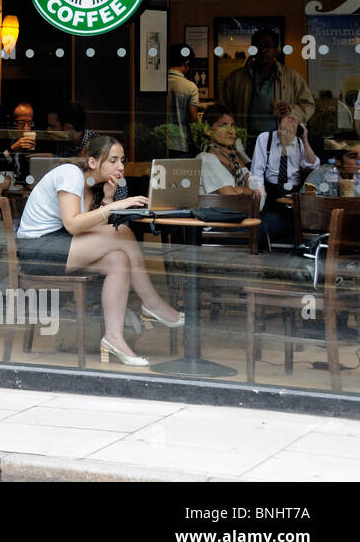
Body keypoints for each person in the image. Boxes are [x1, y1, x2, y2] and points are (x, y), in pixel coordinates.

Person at [15, 134, 183, 366]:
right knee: (122, 232)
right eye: (113, 160)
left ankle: (113, 338)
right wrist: (114, 207)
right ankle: (151, 303)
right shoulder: (70, 174)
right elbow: (73, 224)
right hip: (37, 249)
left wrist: (107, 199)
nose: (121, 167)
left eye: (122, 160)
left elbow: (94, 235)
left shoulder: (89, 185)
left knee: (117, 260)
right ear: (93, 162)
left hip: (59, 244)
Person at [220, 29, 314, 144]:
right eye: (258, 46)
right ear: (253, 50)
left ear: (276, 51)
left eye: (268, 46)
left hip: (279, 142)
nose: (263, 50)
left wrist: (290, 109)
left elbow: (308, 105)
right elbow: (222, 110)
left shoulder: (291, 77)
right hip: (244, 142)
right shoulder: (236, 78)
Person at [250, 114, 318, 244]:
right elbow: (256, 172)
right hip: (271, 191)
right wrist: (260, 193)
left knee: (287, 221)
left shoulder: (299, 142)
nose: (283, 133)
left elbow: (313, 164)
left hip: (294, 194)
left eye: (289, 130)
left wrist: (305, 139)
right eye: (281, 128)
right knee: (270, 220)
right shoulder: (265, 138)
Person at [196, 103, 263, 205]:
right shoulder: (206, 159)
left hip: (241, 217)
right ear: (208, 130)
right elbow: (233, 200)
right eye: (223, 125)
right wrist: (245, 190)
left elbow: (258, 191)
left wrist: (240, 190)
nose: (231, 131)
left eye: (232, 125)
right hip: (217, 219)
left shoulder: (234, 158)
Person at [166, 44, 200, 156]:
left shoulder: (158, 83)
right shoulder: (190, 87)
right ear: (187, 63)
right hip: (180, 143)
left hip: (159, 141)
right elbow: (193, 119)